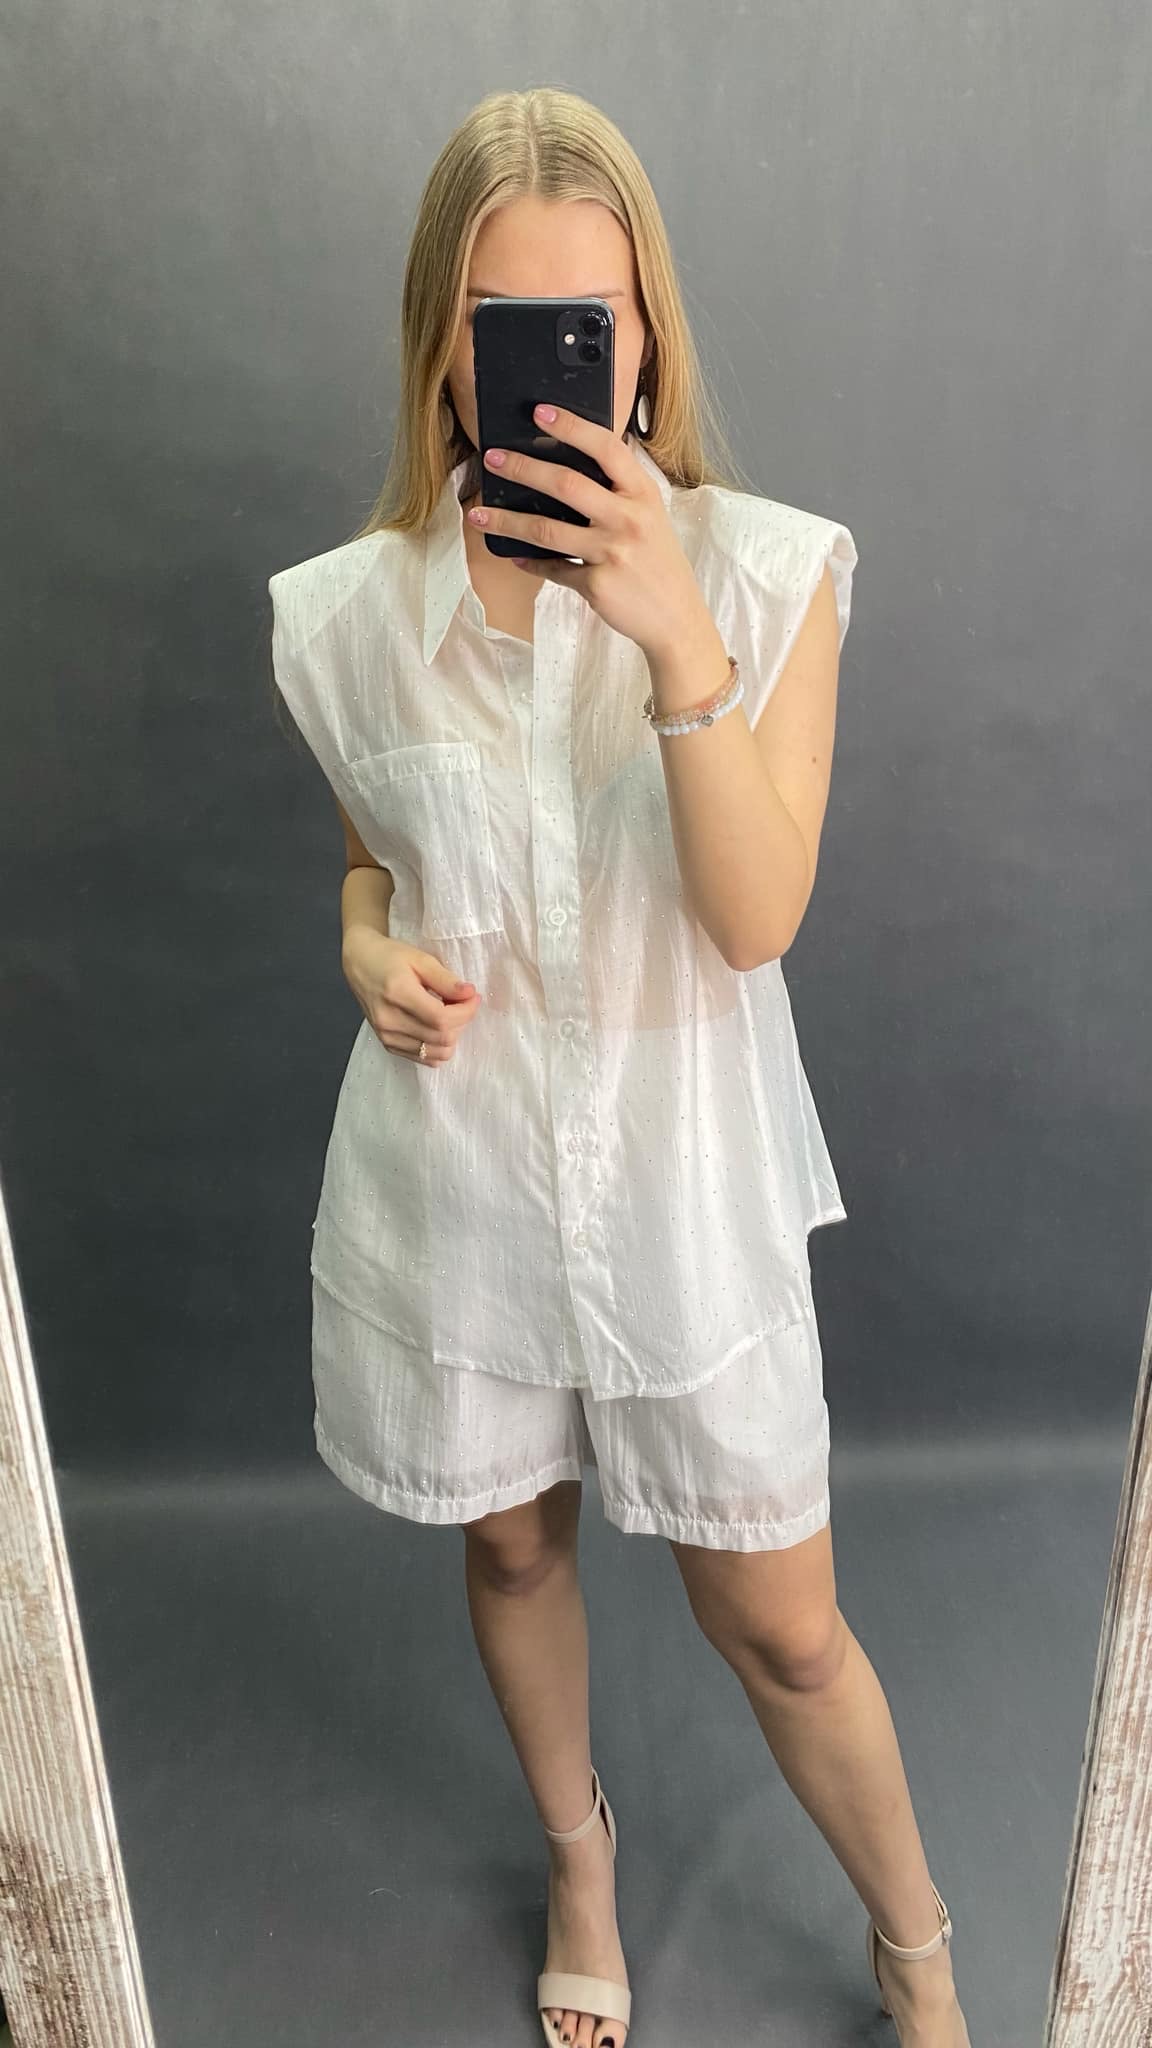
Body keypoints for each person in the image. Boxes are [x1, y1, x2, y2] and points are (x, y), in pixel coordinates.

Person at [268, 86, 972, 2048]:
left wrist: (676, 649)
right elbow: (371, 865)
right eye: (507, 325)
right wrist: (364, 954)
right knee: (512, 1538)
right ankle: (580, 1863)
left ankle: (915, 1941)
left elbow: (753, 922)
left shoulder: (769, 576)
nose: (556, 371)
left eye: (593, 320)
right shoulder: (350, 619)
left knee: (783, 1621)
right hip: (466, 1168)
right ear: (446, 347)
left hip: (683, 1182)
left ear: (647, 331)